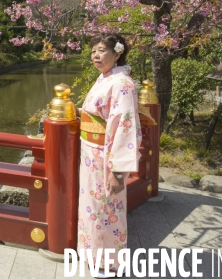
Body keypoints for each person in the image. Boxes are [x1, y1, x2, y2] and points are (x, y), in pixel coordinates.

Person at [76, 33, 142, 278]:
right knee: (94, 207)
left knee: (106, 209)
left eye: (102, 50)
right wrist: (80, 112)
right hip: (91, 154)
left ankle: (108, 266)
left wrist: (117, 171)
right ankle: (94, 258)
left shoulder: (122, 83)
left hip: (106, 158)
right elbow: (100, 114)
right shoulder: (105, 78)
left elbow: (124, 127)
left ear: (117, 53)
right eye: (93, 50)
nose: (96, 55)